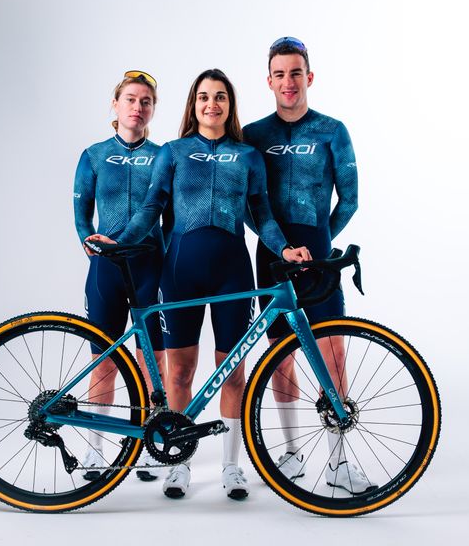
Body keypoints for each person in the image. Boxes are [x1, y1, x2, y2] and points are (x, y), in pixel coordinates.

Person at [89, 69, 310, 500]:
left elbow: (262, 215)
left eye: (221, 97)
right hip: (181, 274)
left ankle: (232, 466)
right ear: (193, 105)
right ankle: (180, 463)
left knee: (233, 372)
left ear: (230, 105)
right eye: (204, 97)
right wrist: (122, 240)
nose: (213, 104)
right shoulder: (173, 152)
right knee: (182, 371)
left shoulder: (248, 156)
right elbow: (151, 208)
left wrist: (283, 249)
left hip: (233, 274)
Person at [243, 37, 375, 494]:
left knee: (334, 351)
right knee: (282, 352)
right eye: (279, 74)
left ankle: (338, 461)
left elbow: (351, 198)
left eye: (295, 73)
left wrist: (319, 244)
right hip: (273, 256)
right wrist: (281, 246)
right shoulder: (254, 135)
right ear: (269, 81)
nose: (288, 82)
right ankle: (293, 452)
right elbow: (251, 207)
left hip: (319, 256)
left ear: (309, 77)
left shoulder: (332, 130)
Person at [73, 70, 168, 483]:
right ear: (115, 105)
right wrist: (85, 239)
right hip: (106, 269)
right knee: (103, 360)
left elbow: (172, 213)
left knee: (153, 362)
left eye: (146, 101)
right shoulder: (94, 155)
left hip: (150, 265)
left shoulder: (164, 155)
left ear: (152, 109)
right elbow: (81, 208)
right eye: (131, 99)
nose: (138, 107)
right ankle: (97, 451)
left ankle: (149, 447)